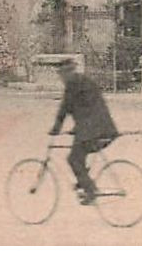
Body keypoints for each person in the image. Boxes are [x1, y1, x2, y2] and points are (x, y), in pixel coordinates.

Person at [49, 57, 118, 203]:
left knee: (73, 159)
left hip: (94, 131)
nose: (61, 78)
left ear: (67, 73)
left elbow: (65, 107)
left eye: (61, 74)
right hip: (102, 128)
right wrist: (76, 128)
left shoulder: (72, 83)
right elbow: (85, 106)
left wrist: (56, 128)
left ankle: (90, 190)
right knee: (79, 156)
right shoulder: (83, 81)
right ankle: (84, 182)